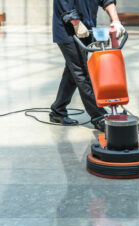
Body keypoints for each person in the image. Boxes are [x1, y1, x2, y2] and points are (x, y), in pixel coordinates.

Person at [50, 0, 125, 131]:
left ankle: (58, 110)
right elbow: (64, 3)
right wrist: (76, 23)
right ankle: (98, 116)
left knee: (73, 71)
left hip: (87, 28)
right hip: (68, 31)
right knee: (82, 72)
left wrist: (116, 21)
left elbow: (106, 0)